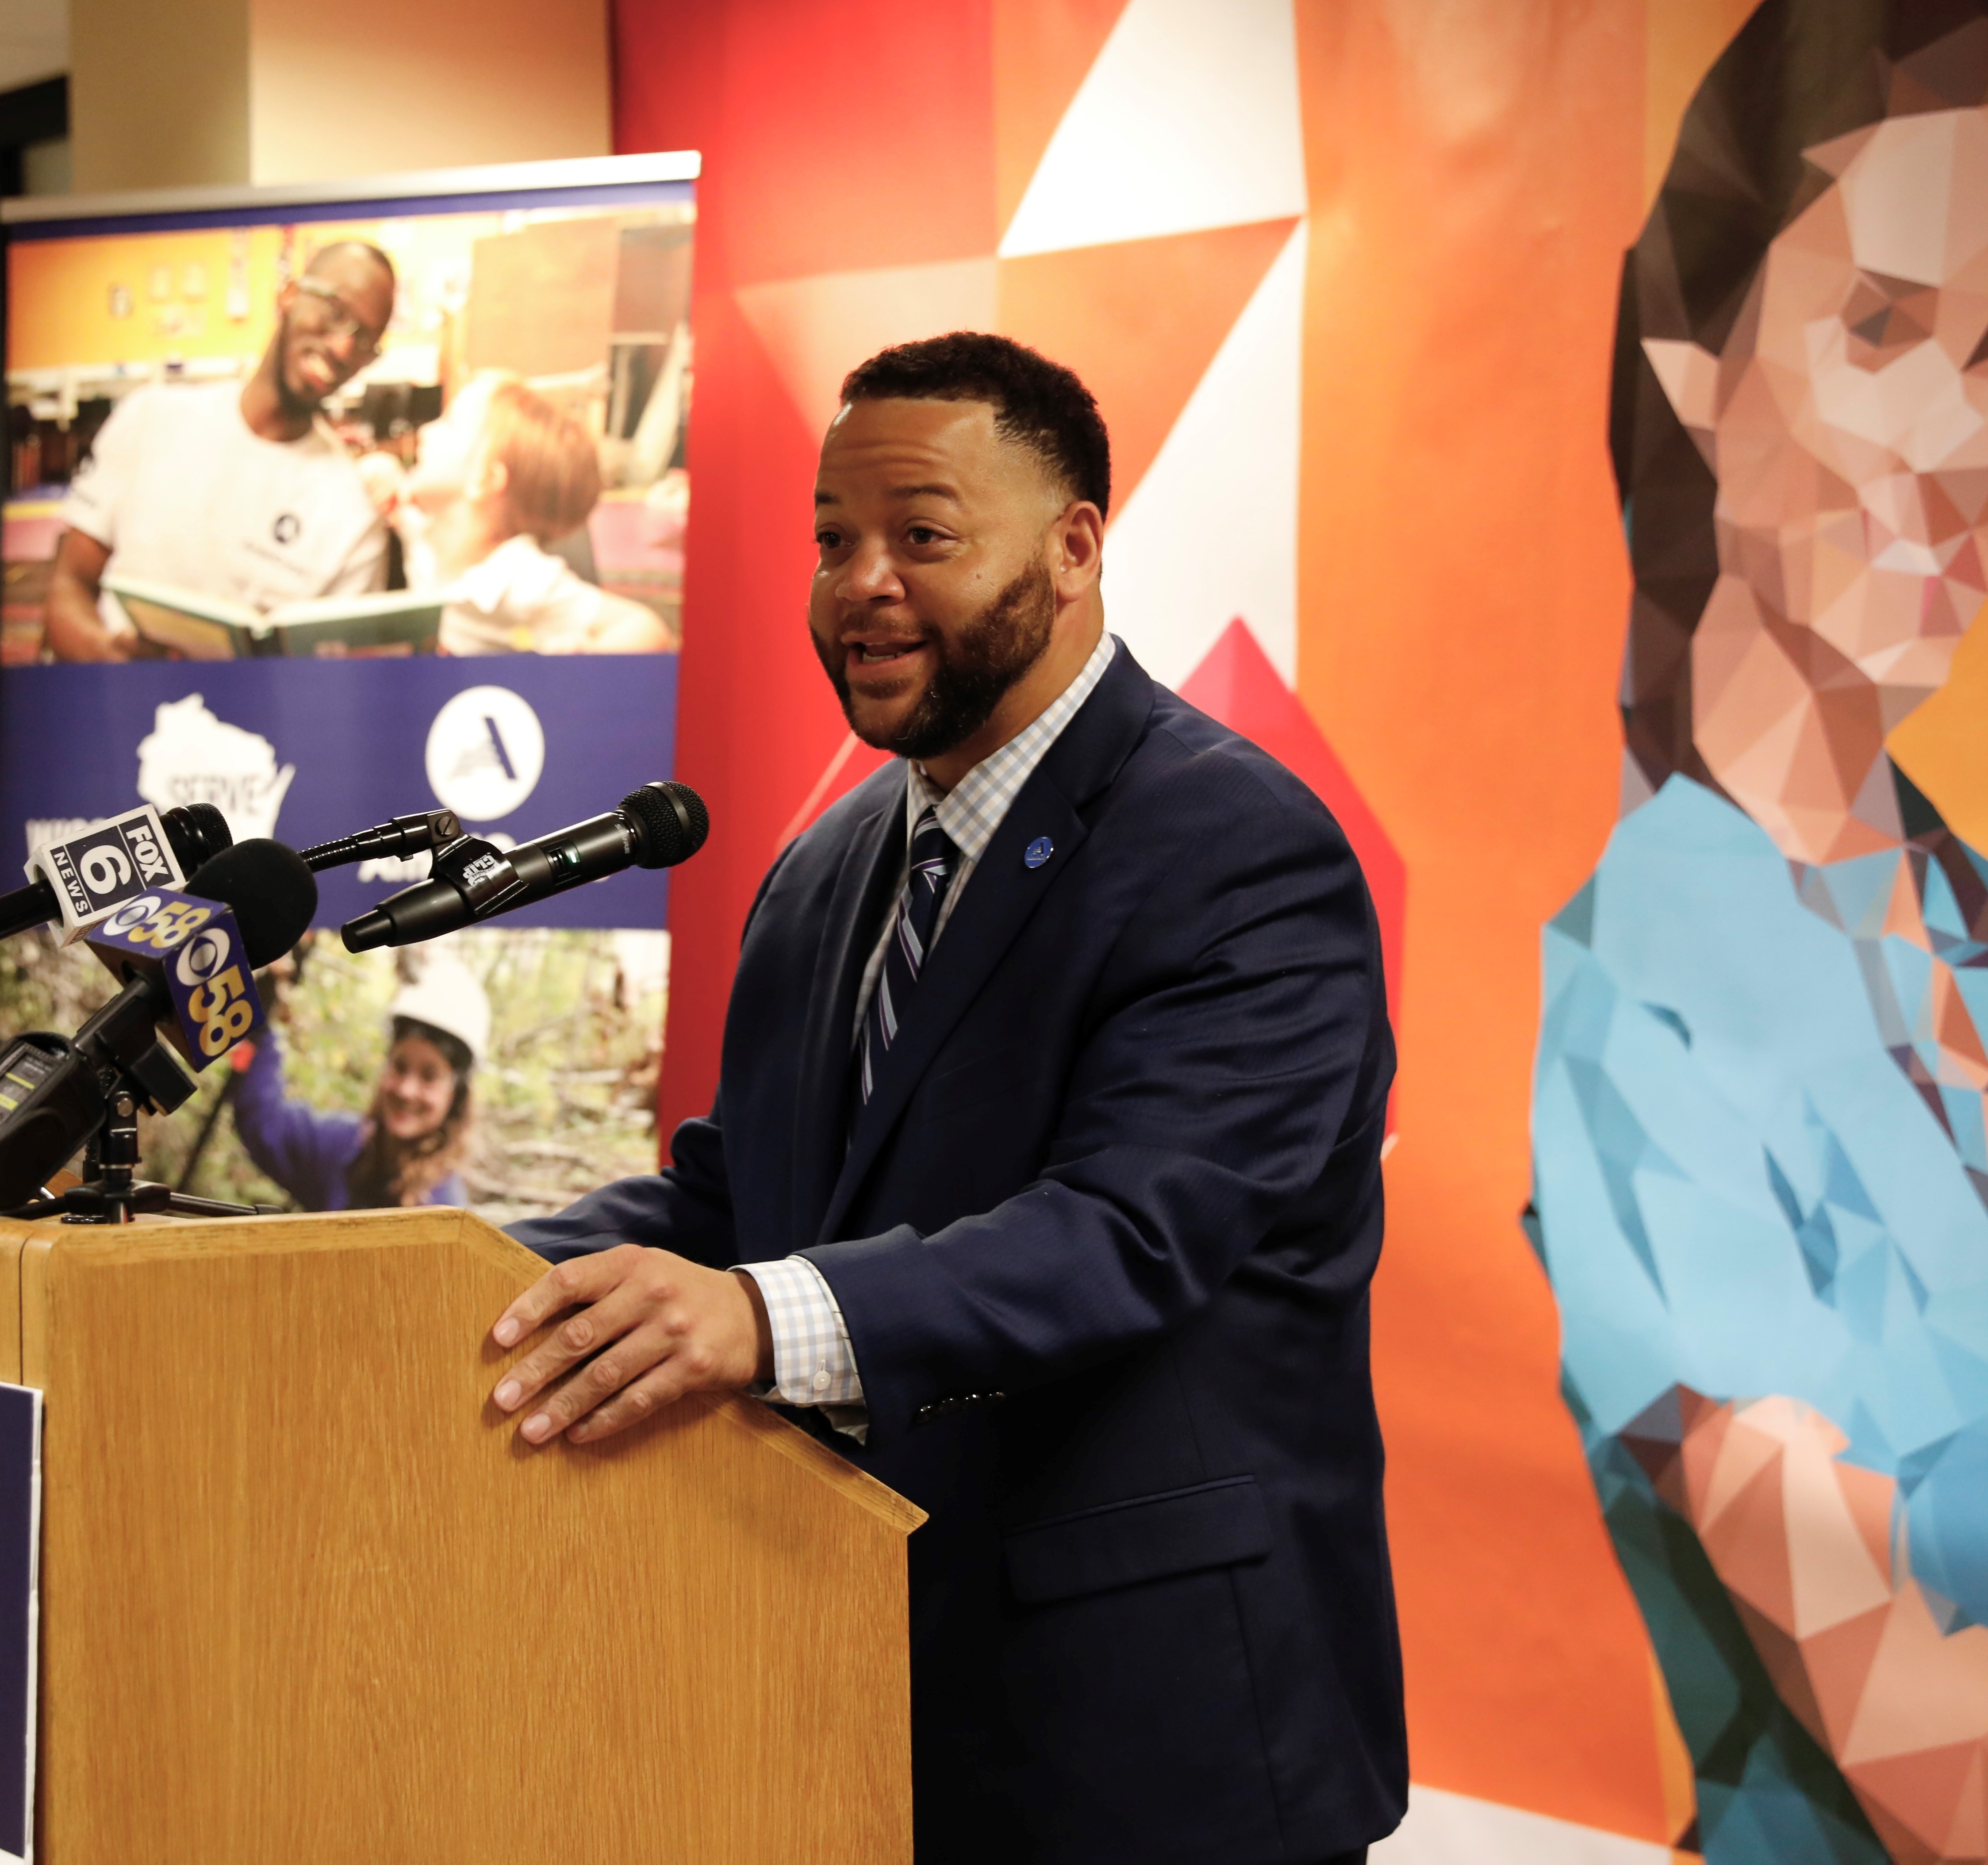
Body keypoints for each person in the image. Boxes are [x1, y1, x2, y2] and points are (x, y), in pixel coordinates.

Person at [480, 333, 1404, 1862]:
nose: (861, 582)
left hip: (1150, 1749)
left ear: (1076, 545)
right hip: (848, 1705)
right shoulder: (827, 866)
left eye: (922, 535)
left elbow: (1127, 1234)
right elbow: (735, 1199)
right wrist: (444, 1274)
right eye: (833, 540)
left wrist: (761, 1318)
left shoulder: (1239, 851)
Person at [1529, 0, 1988, 1863]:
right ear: (1693, 355)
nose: (1964, 444)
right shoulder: (1648, 1011)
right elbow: (1980, 1763)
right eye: (1879, 330)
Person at [44, 239, 399, 661]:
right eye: (336, 312)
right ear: (289, 296)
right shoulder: (150, 418)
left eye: (366, 340)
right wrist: (105, 655)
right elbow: (68, 586)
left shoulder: (353, 519)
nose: (343, 348)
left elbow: (334, 690)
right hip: (111, 711)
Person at [409, 370, 674, 653]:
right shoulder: (427, 531)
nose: (427, 431)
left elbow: (646, 628)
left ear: (485, 479)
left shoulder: (516, 577)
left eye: (450, 424)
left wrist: (566, 673)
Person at [234, 955, 486, 1212]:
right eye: (400, 1066)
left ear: (457, 1095)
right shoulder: (346, 1149)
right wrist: (257, 1018)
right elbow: (265, 1124)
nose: (406, 1090)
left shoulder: (443, 1216)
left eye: (429, 1076)